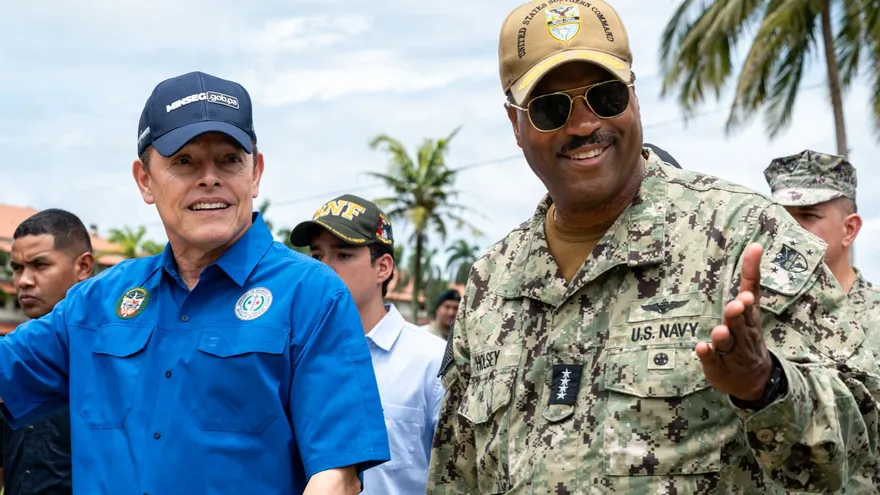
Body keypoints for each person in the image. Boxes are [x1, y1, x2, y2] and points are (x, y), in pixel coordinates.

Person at [427, 1, 880, 494]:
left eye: (604, 97)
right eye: (551, 107)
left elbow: (863, 437)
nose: (582, 126)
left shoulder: (742, 234)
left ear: (634, 99)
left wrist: (766, 386)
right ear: (516, 124)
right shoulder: (491, 283)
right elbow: (457, 473)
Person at [0, 71, 390, 495]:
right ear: (145, 179)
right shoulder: (96, 303)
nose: (209, 178)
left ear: (255, 173)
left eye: (229, 159)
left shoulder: (311, 294)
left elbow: (337, 476)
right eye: (184, 161)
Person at [290, 194, 446, 494]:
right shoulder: (292, 357)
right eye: (317, 256)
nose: (324, 269)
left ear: (383, 268)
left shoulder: (430, 361)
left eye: (343, 255)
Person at [764, 150, 880, 492]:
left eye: (808, 215)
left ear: (850, 229)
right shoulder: (757, 316)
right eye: (781, 217)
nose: (789, 231)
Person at [0, 209, 95, 495]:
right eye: (17, 268)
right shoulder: (12, 360)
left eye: (40, 265)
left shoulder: (110, 357)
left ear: (83, 267)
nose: (23, 281)